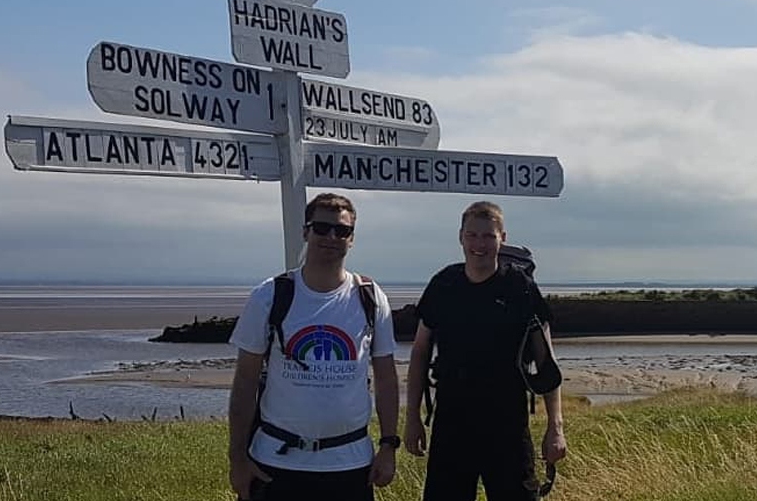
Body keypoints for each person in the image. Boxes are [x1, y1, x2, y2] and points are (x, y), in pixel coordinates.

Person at [227, 192, 400, 501]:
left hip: (350, 464)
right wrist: (238, 458)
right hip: (274, 462)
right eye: (321, 228)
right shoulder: (269, 296)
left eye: (342, 230)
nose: (331, 236)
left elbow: (386, 378)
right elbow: (245, 381)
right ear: (306, 232)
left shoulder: (371, 297)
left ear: (352, 239)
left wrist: (389, 446)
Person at [404, 200, 567, 501]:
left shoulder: (520, 287)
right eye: (473, 235)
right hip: (452, 420)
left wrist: (555, 428)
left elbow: (547, 362)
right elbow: (419, 353)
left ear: (502, 238)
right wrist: (412, 417)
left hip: (507, 422)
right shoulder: (444, 284)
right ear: (461, 237)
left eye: (488, 236)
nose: (480, 244)